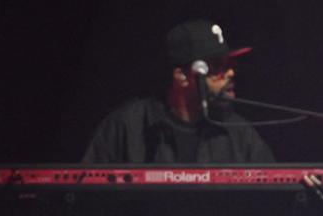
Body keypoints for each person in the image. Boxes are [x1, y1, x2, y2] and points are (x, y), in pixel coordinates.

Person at [82, 19, 274, 164]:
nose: (230, 73)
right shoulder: (127, 125)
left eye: (230, 65)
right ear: (181, 76)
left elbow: (274, 201)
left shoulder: (240, 133)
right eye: (216, 67)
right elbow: (85, 199)